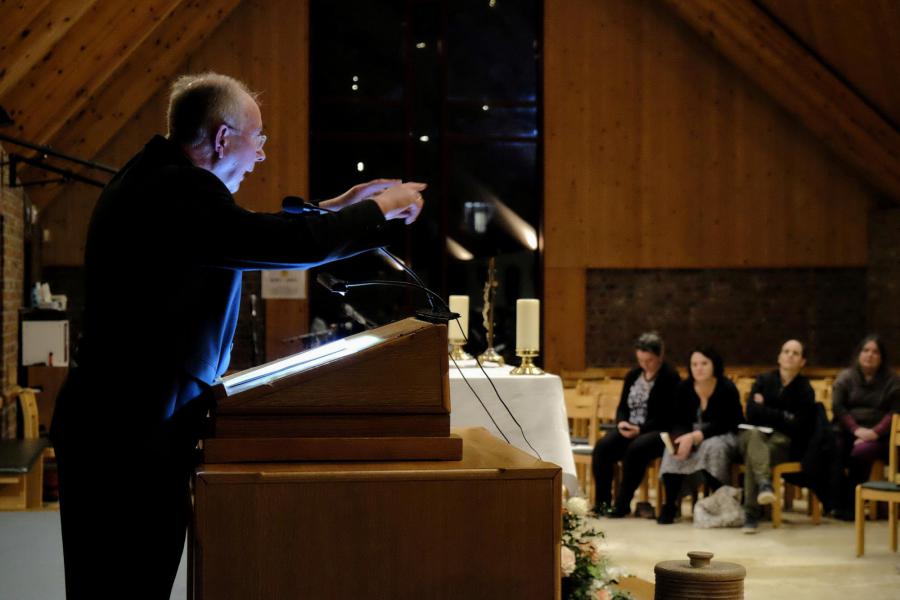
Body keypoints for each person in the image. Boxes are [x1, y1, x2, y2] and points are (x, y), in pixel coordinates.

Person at [49, 72, 426, 599]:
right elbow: (272, 241)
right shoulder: (173, 188)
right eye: (260, 138)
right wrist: (379, 211)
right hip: (127, 434)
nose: (262, 155)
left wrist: (339, 208)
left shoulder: (164, 182)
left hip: (128, 425)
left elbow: (252, 231)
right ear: (223, 138)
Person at [591, 332, 680, 517]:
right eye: (641, 360)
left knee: (636, 449)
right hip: (631, 426)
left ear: (660, 356)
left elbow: (668, 416)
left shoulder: (670, 377)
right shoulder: (633, 375)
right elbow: (622, 406)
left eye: (649, 360)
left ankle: (622, 504)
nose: (644, 365)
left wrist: (641, 429)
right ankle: (602, 503)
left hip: (657, 430)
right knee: (603, 447)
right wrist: (622, 422)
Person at [657, 347, 743, 524]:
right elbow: (677, 420)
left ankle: (719, 501)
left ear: (714, 365)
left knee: (713, 447)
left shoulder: (726, 387)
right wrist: (683, 438)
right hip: (691, 435)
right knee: (672, 450)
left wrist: (697, 436)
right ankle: (670, 504)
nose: (699, 368)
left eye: (704, 363)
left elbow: (729, 422)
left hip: (723, 434)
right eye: (694, 364)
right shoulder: (684, 387)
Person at [737, 339, 816, 533]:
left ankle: (751, 514)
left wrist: (766, 408)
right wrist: (783, 415)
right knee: (754, 436)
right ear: (779, 356)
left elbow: (798, 425)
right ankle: (764, 485)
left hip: (783, 441)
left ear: (802, 361)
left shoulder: (805, 389)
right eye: (786, 351)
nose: (790, 355)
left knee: (754, 456)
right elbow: (751, 412)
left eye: (795, 353)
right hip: (754, 434)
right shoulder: (764, 380)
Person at [830, 334, 900, 518]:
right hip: (849, 430)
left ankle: (854, 505)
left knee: (861, 451)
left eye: (875, 352)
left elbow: (895, 412)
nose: (869, 355)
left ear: (881, 357)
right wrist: (856, 430)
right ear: (859, 354)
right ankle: (837, 502)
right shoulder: (846, 377)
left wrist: (874, 433)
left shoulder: (892, 381)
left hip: (880, 435)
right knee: (832, 447)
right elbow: (838, 407)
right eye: (865, 350)